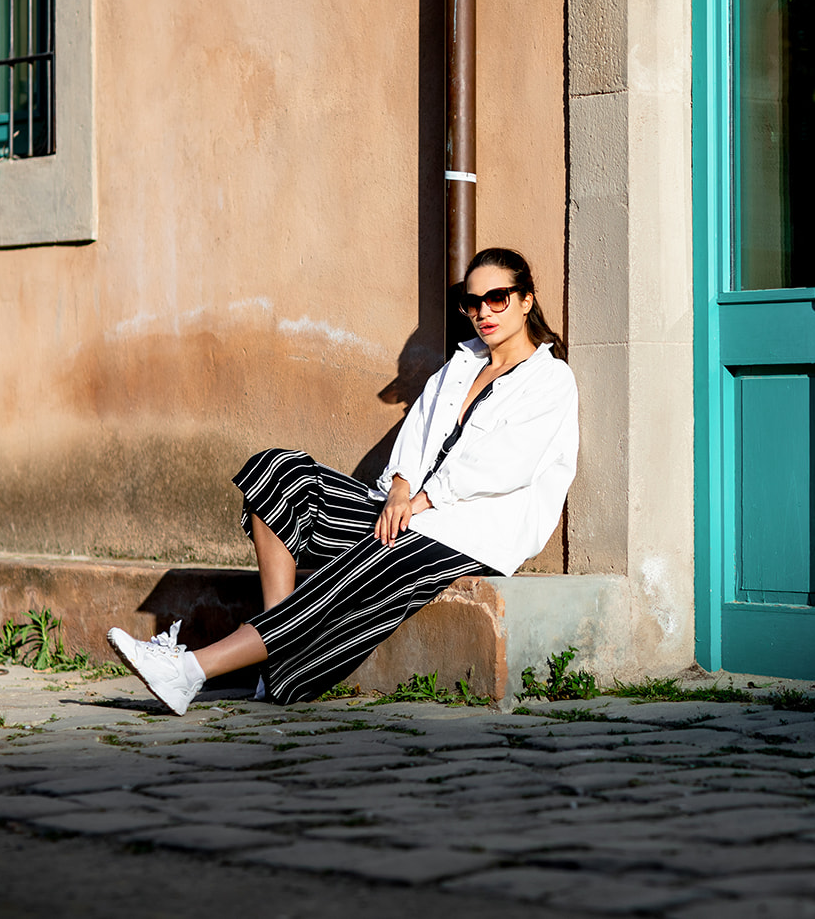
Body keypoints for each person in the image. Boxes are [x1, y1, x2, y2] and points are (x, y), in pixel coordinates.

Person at [106, 248, 578, 714]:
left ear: (526, 300)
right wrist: (399, 487)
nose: (482, 312)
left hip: (470, 532)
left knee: (376, 555)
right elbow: (414, 435)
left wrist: (422, 501)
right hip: (406, 508)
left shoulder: (549, 380)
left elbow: (505, 464)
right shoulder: (461, 365)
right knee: (279, 474)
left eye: (497, 298)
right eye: (472, 303)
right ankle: (278, 668)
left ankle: (189, 671)